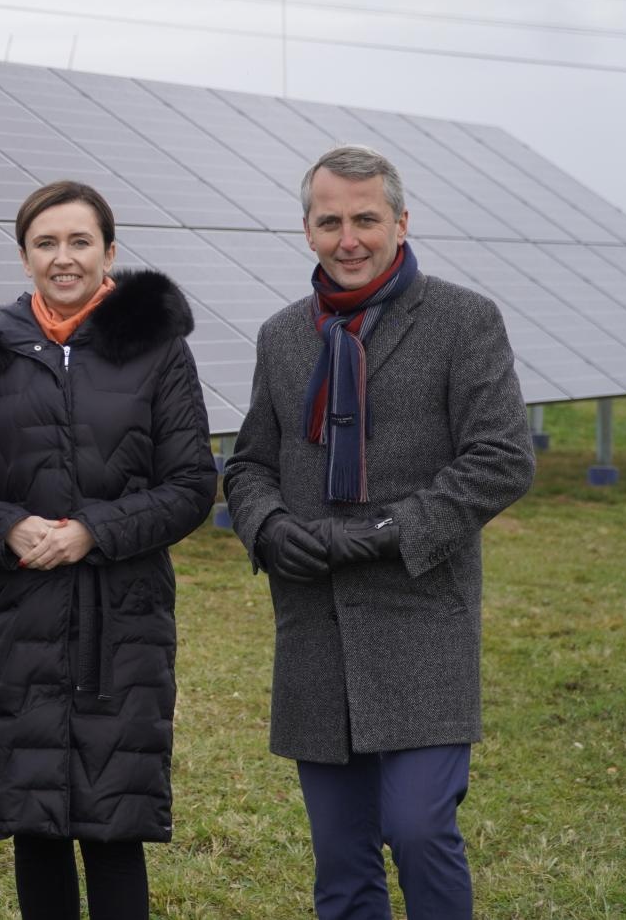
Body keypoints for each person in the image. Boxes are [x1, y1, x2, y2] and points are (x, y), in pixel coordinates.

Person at [223, 144, 535, 920]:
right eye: (330, 221)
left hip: (421, 614)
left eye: (366, 218)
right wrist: (266, 527)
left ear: (401, 220)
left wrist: (396, 530)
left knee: (420, 827)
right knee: (341, 857)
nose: (349, 238)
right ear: (307, 230)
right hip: (315, 623)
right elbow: (249, 461)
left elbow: (502, 457)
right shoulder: (282, 335)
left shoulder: (464, 320)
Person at [0, 180, 218, 920]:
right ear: (24, 256)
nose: (63, 257)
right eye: (45, 243)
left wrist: (93, 530)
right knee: (35, 825)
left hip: (122, 623)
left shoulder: (157, 350)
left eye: (79, 241)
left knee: (116, 824)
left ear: (109, 251)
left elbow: (190, 485)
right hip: (13, 622)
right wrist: (8, 527)